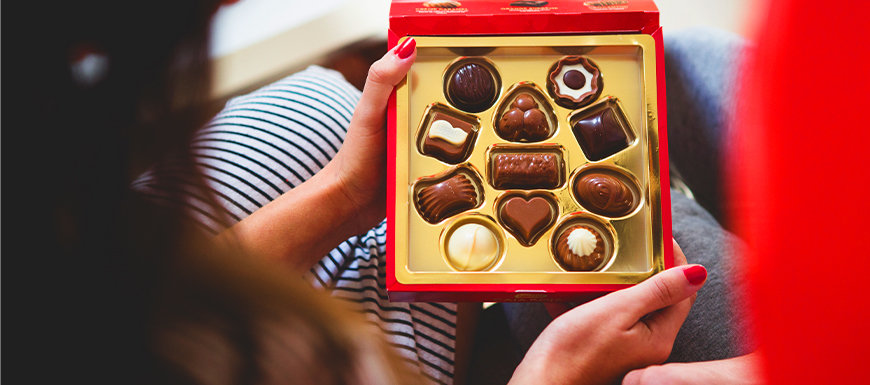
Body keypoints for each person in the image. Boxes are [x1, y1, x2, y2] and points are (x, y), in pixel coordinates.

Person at [6, 0, 739, 384]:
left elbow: (136, 305)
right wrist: (550, 376)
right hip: (462, 342)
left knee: (673, 67)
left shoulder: (62, 247)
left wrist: (349, 194)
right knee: (668, 157)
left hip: (362, 228)